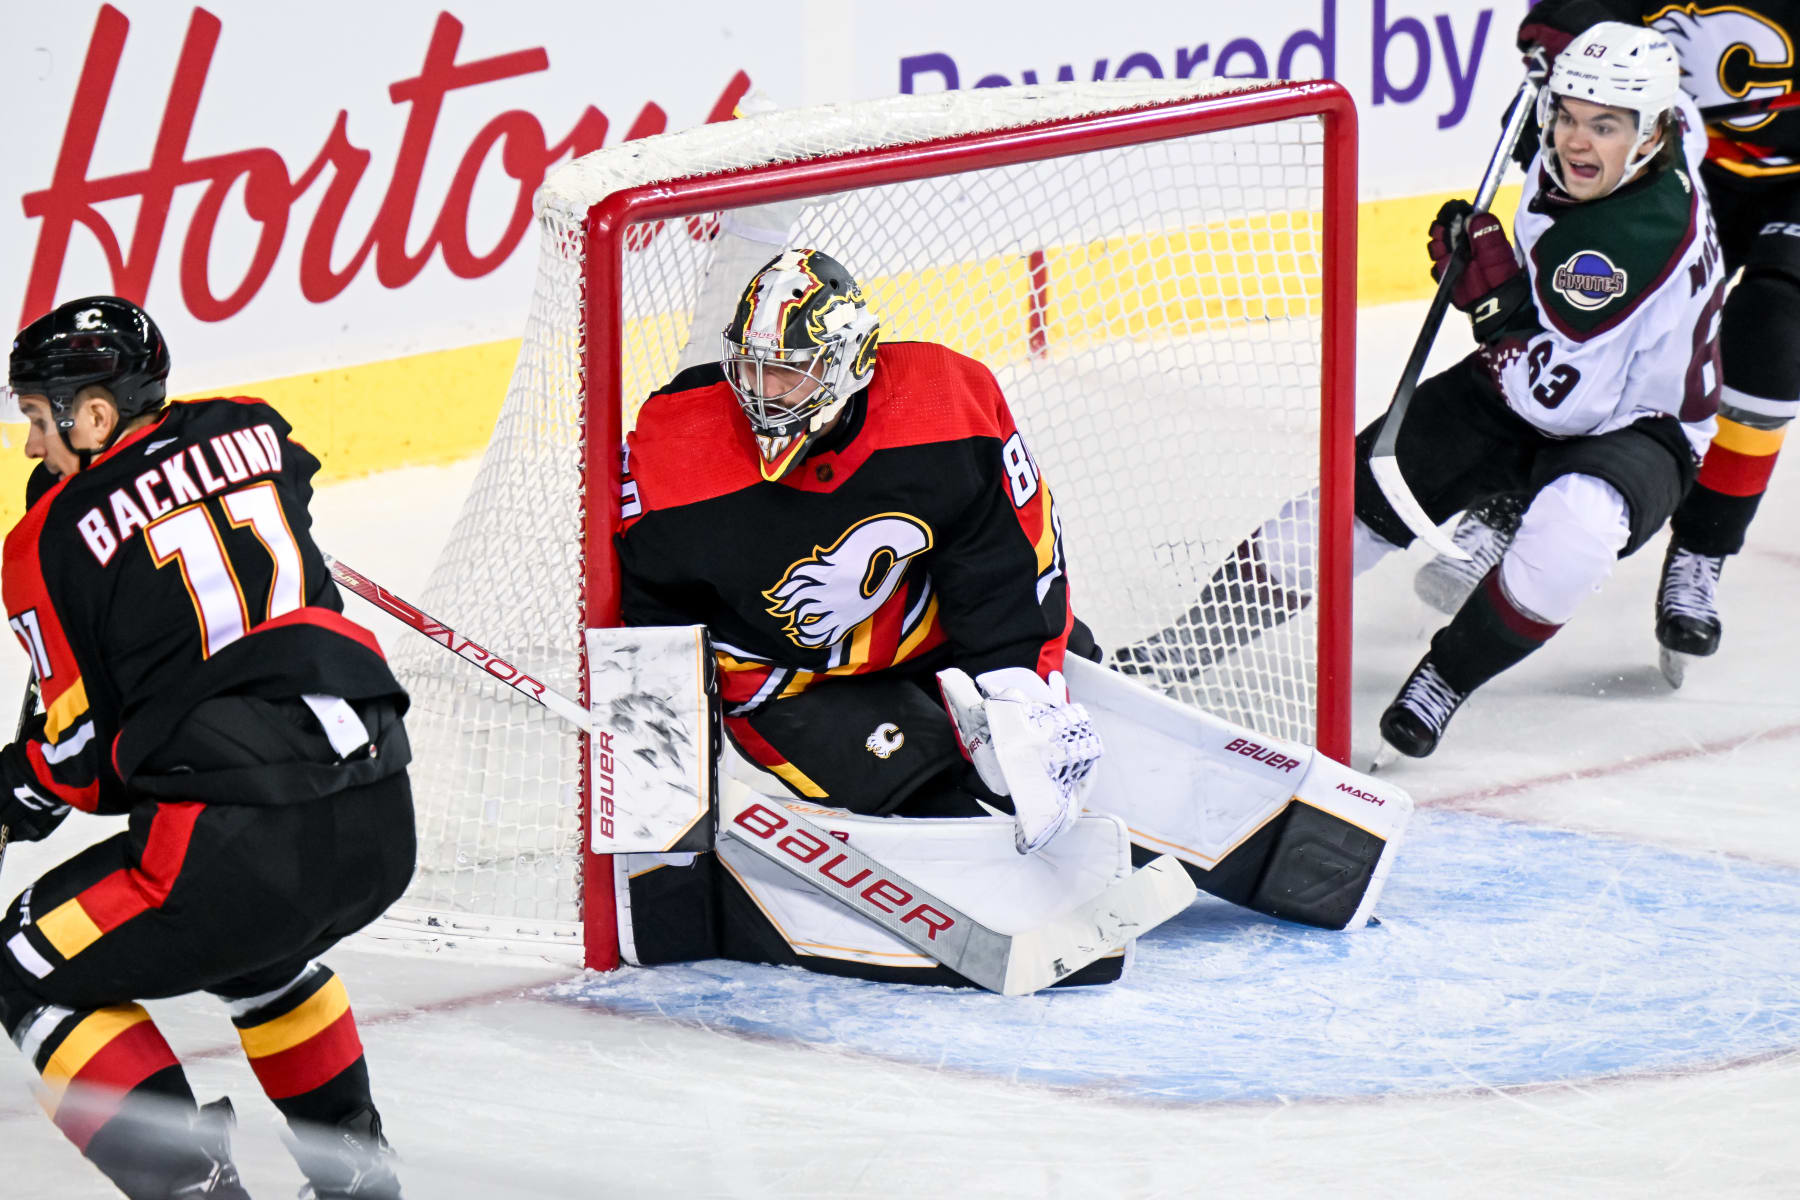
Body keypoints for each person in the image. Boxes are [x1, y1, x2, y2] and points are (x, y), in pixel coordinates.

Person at [1120, 24, 1718, 757]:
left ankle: (1444, 678)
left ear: (1652, 133)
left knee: (1574, 533)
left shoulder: (1624, 241)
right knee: (1343, 509)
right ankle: (1186, 642)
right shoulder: (1663, 135)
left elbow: (1565, 403)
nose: (1576, 142)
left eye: (1604, 126)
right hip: (1532, 376)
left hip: (1634, 422)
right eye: (1566, 114)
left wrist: (1491, 296)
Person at [0, 296, 415, 1198]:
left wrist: (12, 796)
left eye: (38, 417)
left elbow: (79, 763)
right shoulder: (256, 433)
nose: (32, 445)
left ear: (96, 414)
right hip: (382, 813)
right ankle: (358, 1180)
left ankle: (193, 1190)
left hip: (238, 847)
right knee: (257, 951)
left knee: (28, 963)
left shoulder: (46, 543)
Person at [613, 247, 1116, 985]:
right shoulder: (672, 449)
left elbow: (1008, 547)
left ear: (852, 361)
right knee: (926, 793)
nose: (763, 390)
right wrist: (664, 794)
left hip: (926, 636)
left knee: (1078, 669)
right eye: (750, 367)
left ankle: (1045, 760)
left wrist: (1017, 679)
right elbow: (649, 623)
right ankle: (974, 828)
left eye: (788, 368)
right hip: (785, 678)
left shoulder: (945, 401)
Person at [1414, 0, 1800, 687]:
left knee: (1775, 338)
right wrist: (1567, 25)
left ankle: (1701, 549)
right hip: (1660, 149)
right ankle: (1510, 499)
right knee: (1578, 301)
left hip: (1793, 184)